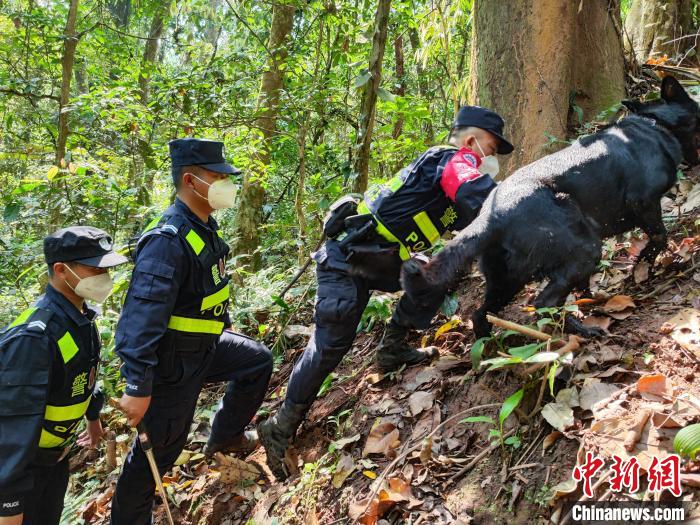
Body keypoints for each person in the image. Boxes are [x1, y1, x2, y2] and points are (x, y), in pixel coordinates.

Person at [259, 106, 514, 480]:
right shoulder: (449, 161)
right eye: (491, 148)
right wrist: (521, 200)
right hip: (346, 259)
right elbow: (479, 194)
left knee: (436, 273)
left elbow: (475, 223)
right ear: (473, 140)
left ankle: (393, 347)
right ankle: (280, 425)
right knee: (333, 339)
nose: (492, 157)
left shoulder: (451, 184)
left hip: (381, 262)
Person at [111, 138, 273, 524]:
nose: (226, 184)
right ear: (190, 180)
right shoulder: (166, 241)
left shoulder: (204, 227)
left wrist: (224, 323)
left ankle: (225, 438)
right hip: (172, 361)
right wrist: (137, 385)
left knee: (256, 361)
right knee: (160, 450)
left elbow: (210, 286)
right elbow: (141, 317)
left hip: (205, 345)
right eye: (217, 177)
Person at [0, 226, 128, 524]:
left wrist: (93, 418)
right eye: (95, 268)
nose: (104, 277)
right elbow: (10, 429)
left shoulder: (81, 318)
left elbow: (82, 375)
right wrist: (8, 505)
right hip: (24, 472)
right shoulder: (32, 338)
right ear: (61, 270)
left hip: (54, 462)